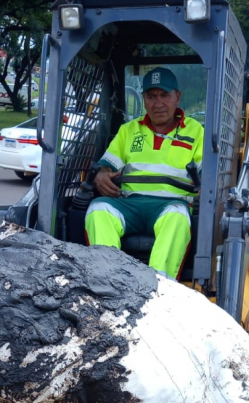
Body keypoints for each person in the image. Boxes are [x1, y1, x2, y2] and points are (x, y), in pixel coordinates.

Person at [84, 67, 203, 280]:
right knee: (98, 209)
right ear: (144, 99)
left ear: (177, 96)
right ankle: (108, 282)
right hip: (131, 204)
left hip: (172, 203)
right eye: (151, 96)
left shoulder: (195, 132)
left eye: (165, 95)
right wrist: (102, 176)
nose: (158, 104)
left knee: (177, 217)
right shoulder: (129, 130)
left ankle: (158, 285)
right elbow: (106, 167)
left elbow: (208, 176)